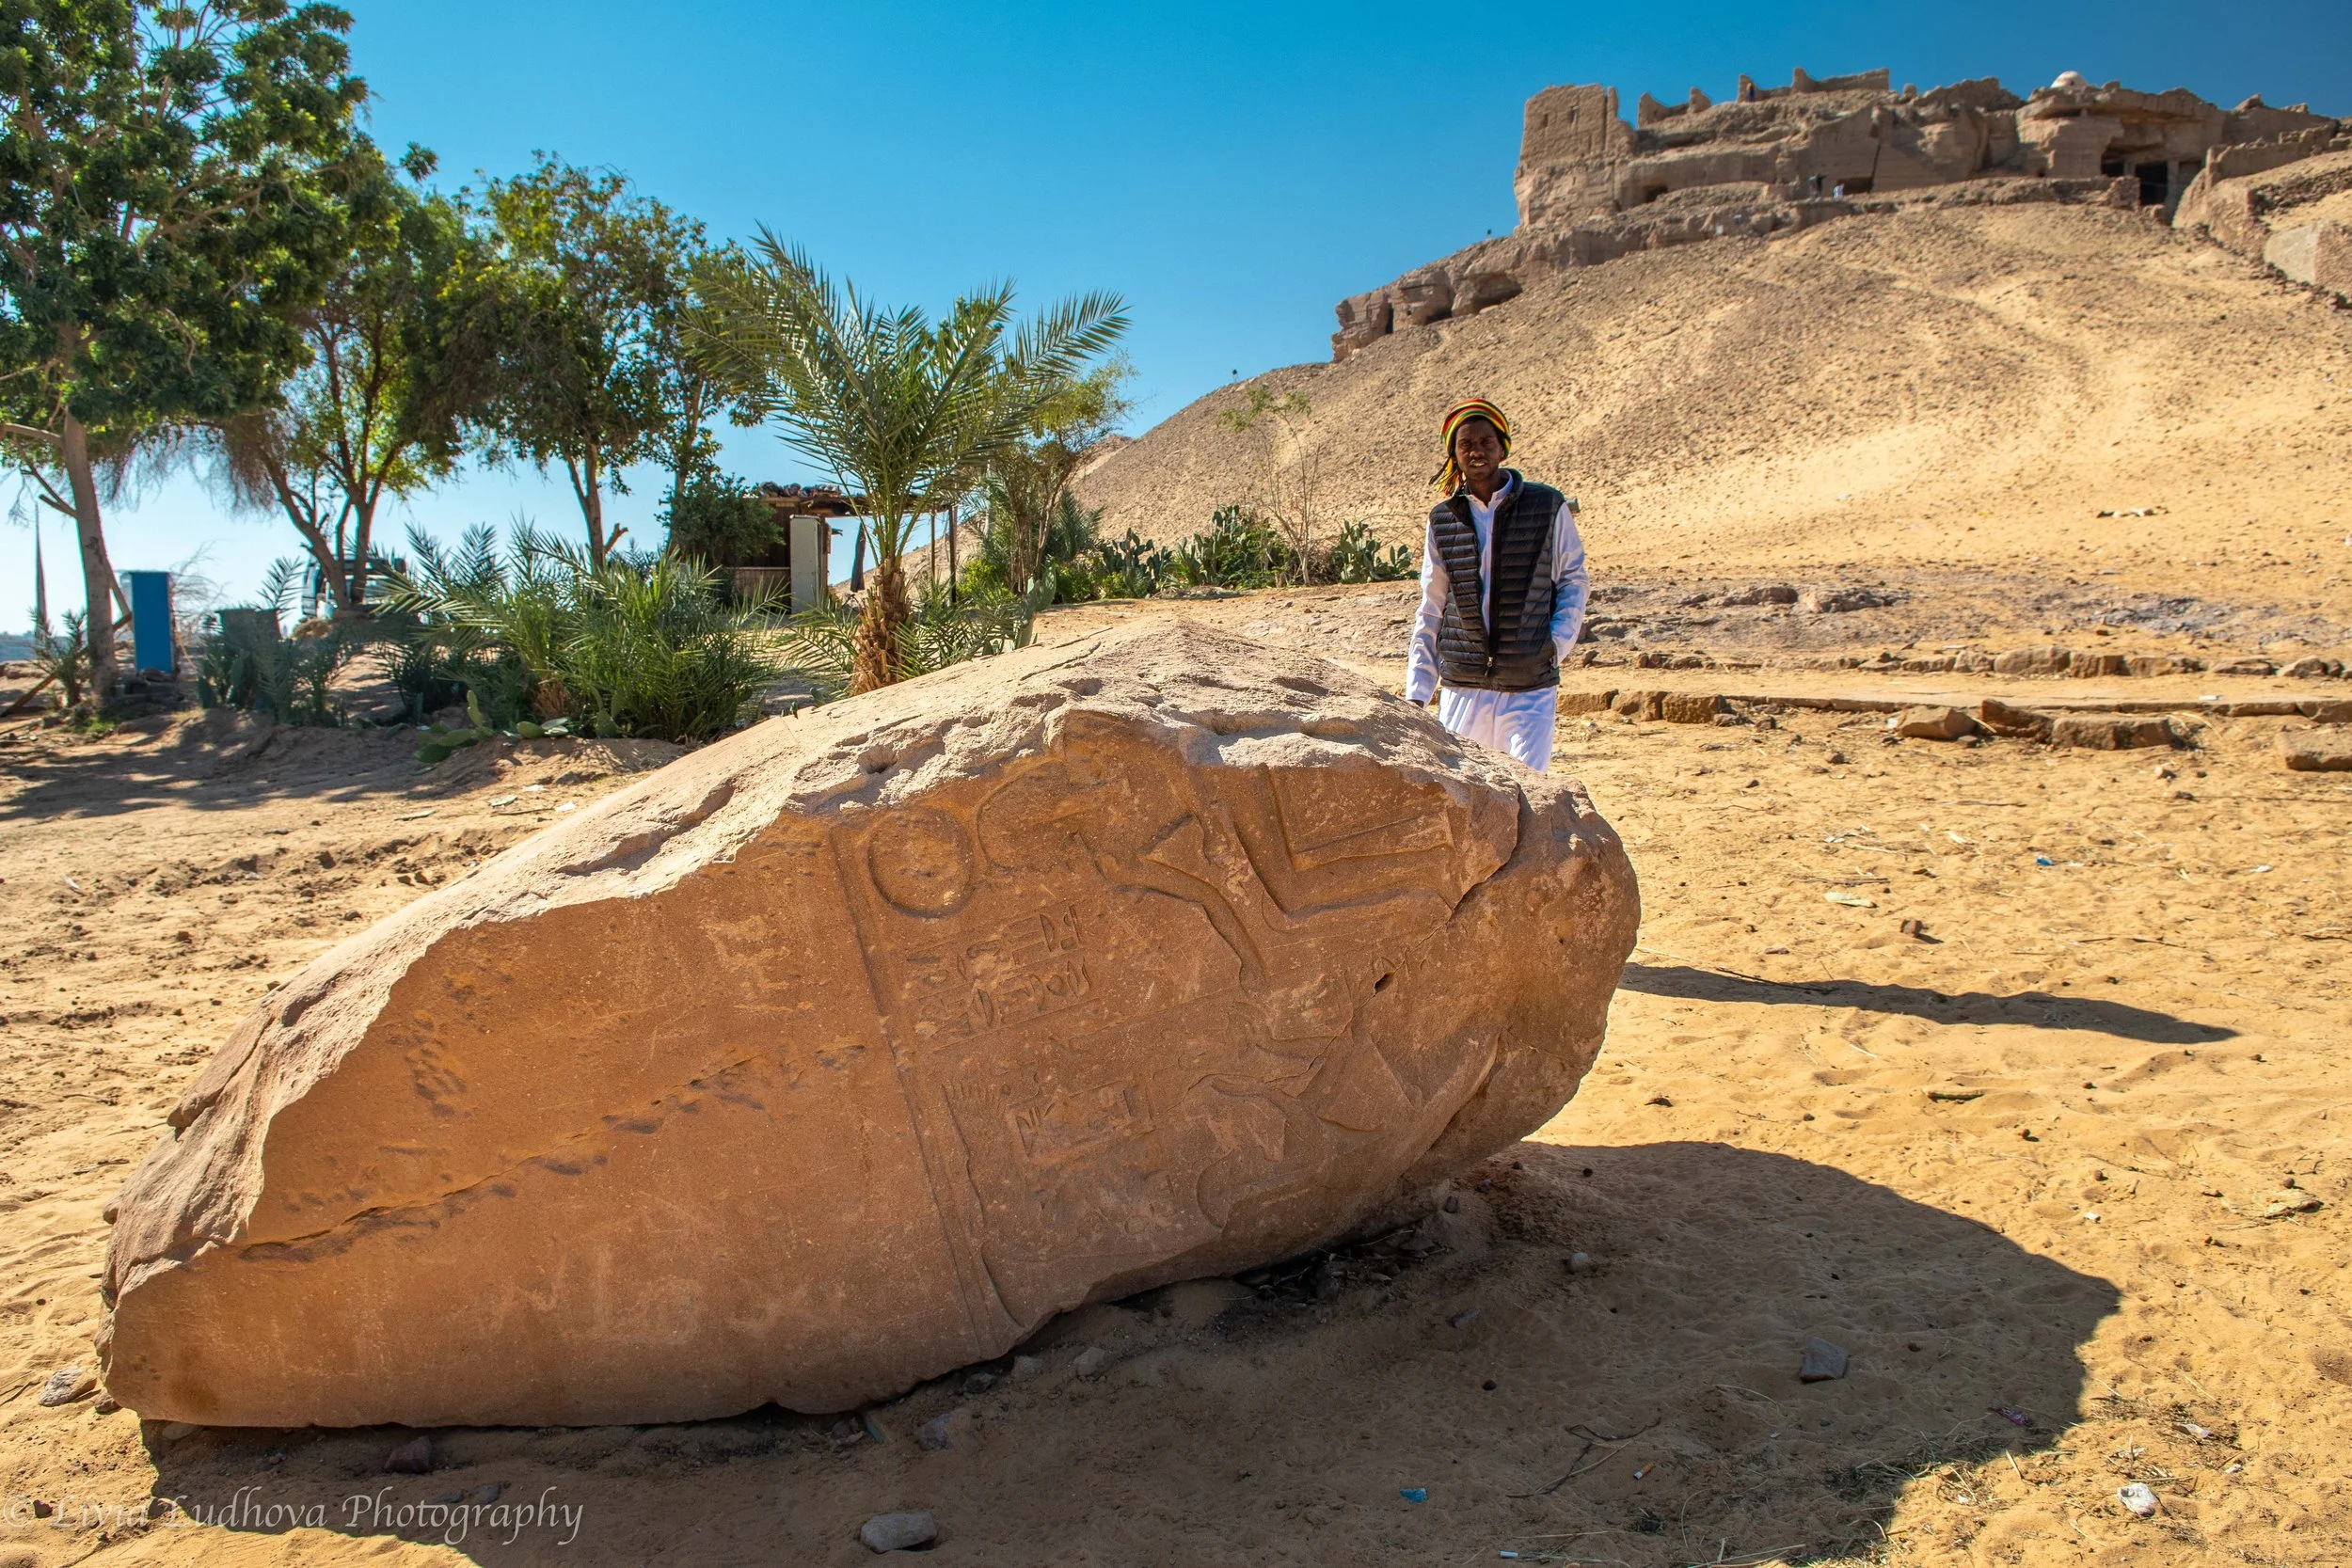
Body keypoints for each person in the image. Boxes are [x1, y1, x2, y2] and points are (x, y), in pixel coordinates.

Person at [1403, 398, 1589, 771]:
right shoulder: (1443, 519)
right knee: (1465, 796)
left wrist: (1554, 645)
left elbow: (1573, 580)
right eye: (1466, 444)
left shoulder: (1546, 505)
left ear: (1502, 447)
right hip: (1463, 686)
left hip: (1529, 686)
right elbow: (1432, 604)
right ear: (1453, 454)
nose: (1476, 451)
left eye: (1486, 441)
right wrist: (1418, 692)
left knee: (1528, 790)